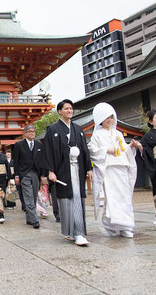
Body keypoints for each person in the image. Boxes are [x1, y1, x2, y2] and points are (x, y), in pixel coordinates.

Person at [40, 99, 93, 246]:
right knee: (67, 199)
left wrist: (89, 168)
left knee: (78, 198)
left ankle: (78, 232)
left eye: (71, 108)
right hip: (63, 170)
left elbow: (84, 150)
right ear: (59, 111)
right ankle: (72, 232)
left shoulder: (78, 129)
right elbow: (49, 151)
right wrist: (50, 171)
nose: (70, 111)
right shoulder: (53, 129)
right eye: (66, 109)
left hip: (78, 169)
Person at [88, 103, 142, 238]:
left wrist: (132, 146)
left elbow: (124, 150)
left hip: (121, 166)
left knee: (124, 197)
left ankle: (125, 225)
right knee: (112, 197)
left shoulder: (118, 133)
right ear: (101, 119)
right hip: (109, 169)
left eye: (111, 118)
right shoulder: (97, 135)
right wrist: (106, 150)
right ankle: (114, 223)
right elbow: (92, 150)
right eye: (106, 118)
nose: (109, 120)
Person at [12, 124, 44, 229]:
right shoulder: (19, 145)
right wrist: (16, 175)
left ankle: (29, 218)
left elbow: (42, 160)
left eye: (33, 131)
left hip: (36, 173)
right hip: (24, 173)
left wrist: (43, 175)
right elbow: (15, 161)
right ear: (25, 133)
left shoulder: (39, 145)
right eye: (30, 131)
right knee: (28, 196)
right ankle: (35, 220)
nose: (32, 133)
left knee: (34, 196)